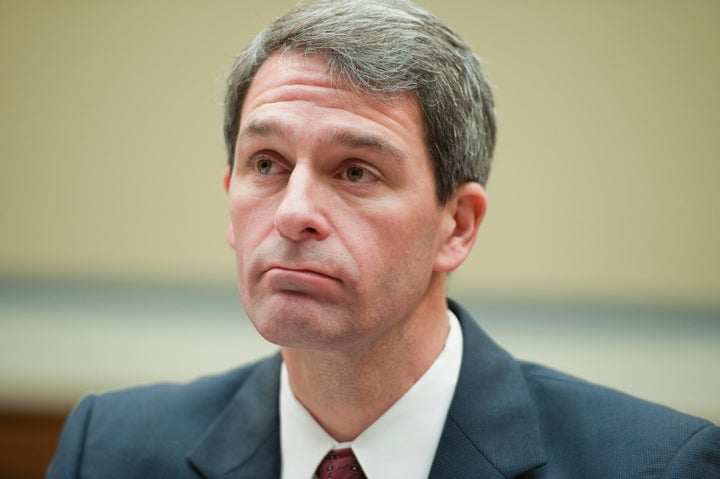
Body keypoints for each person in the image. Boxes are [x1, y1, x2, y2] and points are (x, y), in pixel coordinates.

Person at [48, 1, 719, 478]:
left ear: (456, 225)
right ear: (229, 198)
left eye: (356, 171)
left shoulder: (654, 464)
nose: (293, 213)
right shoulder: (108, 448)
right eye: (266, 164)